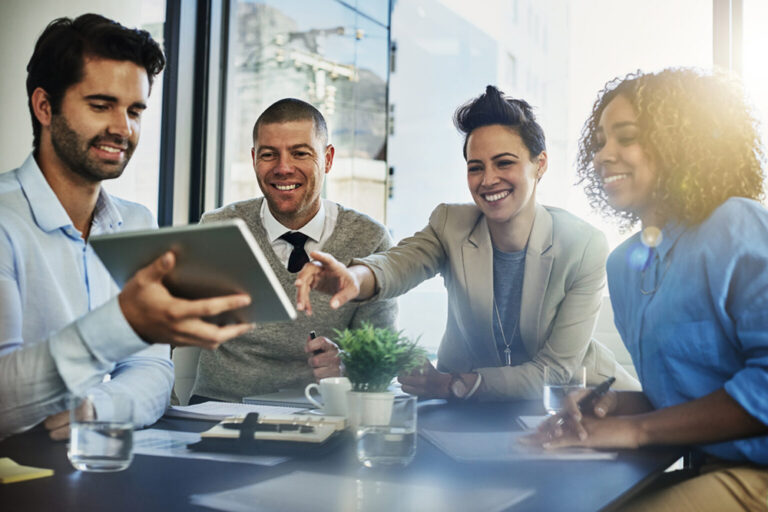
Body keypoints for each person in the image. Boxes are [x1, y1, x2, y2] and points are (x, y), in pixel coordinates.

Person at [0, 14, 254, 440]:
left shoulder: (137, 222)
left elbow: (153, 370)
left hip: (96, 458)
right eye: (101, 105)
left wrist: (98, 407)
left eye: (135, 110)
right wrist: (123, 322)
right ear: (44, 106)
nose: (123, 129)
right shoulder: (5, 221)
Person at [295, 86, 638, 401]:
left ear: (540, 164)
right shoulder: (451, 224)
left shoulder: (583, 245)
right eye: (476, 167)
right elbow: (401, 262)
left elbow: (556, 372)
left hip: (584, 404)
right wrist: (355, 279)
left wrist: (454, 384)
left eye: (504, 163)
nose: (488, 180)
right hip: (474, 411)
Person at [531, 68, 768, 510]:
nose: (604, 155)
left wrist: (635, 429)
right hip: (702, 467)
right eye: (600, 141)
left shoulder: (738, 227)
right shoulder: (625, 267)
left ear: (683, 145)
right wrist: (615, 406)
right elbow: (688, 396)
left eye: (626, 137)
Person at [187, 98, 397, 403]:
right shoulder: (218, 228)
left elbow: (383, 359)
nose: (283, 168)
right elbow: (169, 329)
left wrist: (347, 366)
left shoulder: (369, 239)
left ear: (327, 159)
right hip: (217, 410)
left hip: (320, 415)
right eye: (269, 155)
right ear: (254, 159)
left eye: (300, 153)